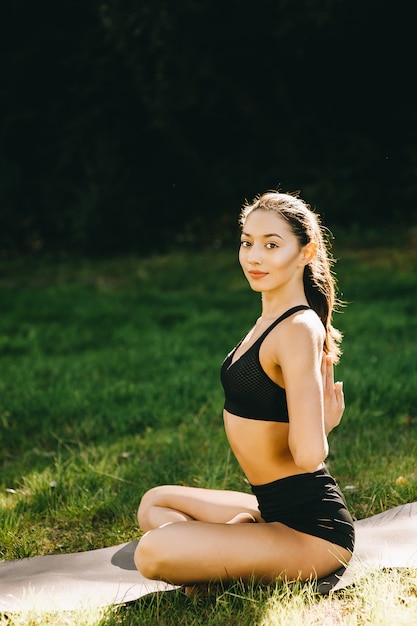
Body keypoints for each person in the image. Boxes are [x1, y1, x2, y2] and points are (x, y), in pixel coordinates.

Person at [134, 191, 355, 587]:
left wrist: (321, 426)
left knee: (151, 552)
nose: (254, 257)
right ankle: (245, 531)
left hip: (312, 531)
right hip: (270, 506)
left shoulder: (298, 328)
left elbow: (307, 456)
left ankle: (240, 541)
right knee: (155, 502)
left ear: (306, 252)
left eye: (272, 245)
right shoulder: (268, 319)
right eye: (247, 242)